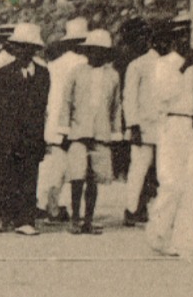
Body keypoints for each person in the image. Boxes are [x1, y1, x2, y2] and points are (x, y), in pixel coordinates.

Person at [146, 20, 193, 257]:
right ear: (172, 41)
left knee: (192, 184)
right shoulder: (163, 65)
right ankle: (157, 233)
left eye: (186, 37)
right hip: (171, 124)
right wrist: (183, 68)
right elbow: (163, 95)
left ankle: (183, 243)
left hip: (192, 128)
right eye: (178, 37)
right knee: (171, 182)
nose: (182, 41)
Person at [0, 22, 50, 235]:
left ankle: (26, 219)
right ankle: (3, 215)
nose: (23, 51)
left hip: (33, 135)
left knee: (29, 176)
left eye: (27, 47)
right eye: (19, 46)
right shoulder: (2, 73)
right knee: (6, 176)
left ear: (34, 50)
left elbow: (43, 107)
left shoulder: (43, 74)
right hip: (9, 135)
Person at [62, 28, 125, 235]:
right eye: (92, 50)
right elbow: (67, 102)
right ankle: (75, 219)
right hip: (79, 132)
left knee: (94, 179)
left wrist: (116, 133)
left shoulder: (113, 76)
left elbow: (116, 107)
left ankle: (88, 220)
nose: (96, 55)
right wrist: (64, 130)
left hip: (101, 133)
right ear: (87, 52)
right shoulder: (76, 73)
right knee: (77, 177)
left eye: (100, 51)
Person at [39, 17, 90, 223]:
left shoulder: (54, 64)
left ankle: (49, 205)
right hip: (77, 122)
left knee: (56, 168)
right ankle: (75, 211)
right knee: (78, 169)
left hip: (54, 121)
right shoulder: (85, 65)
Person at [120, 18, 163, 227]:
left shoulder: (161, 63)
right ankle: (131, 209)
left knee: (158, 170)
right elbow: (129, 98)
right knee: (139, 169)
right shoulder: (136, 65)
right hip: (143, 126)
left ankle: (149, 207)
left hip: (162, 125)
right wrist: (133, 125)